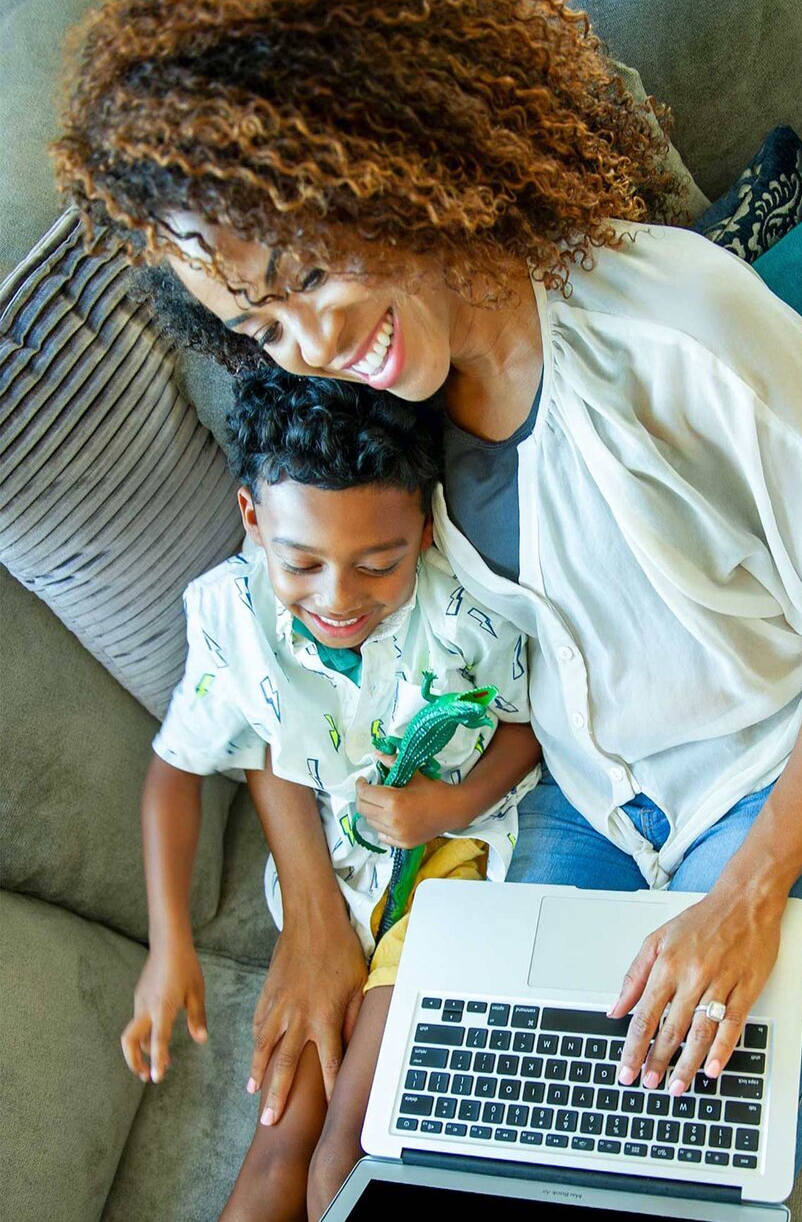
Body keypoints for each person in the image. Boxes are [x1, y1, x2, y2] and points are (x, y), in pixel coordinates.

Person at [56, 0, 802, 1207]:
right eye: (257, 318)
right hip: (585, 801)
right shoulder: (379, 412)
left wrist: (748, 893)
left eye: (308, 272)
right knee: (439, 1165)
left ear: (394, 146)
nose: (307, 340)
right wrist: (317, 911)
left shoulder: (682, 330)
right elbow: (287, 671)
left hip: (781, 781)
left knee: (659, 1180)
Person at [120, 364, 540, 1219]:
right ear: (252, 521)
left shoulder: (463, 611)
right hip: (338, 882)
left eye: (377, 564)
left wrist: (448, 807)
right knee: (278, 1147)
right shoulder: (235, 613)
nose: (338, 600)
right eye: (302, 561)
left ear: (423, 528)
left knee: (346, 1155)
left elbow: (534, 725)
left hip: (452, 869)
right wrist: (169, 944)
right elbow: (176, 771)